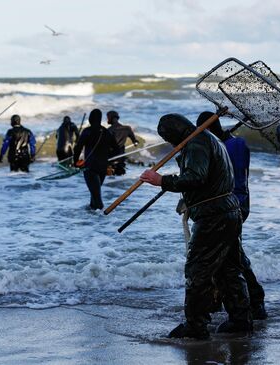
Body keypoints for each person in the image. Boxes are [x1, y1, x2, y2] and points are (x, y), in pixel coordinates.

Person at [140, 113, 252, 339]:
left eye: (168, 138)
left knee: (197, 270)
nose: (170, 143)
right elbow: (207, 180)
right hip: (228, 212)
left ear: (173, 133)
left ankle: (195, 325)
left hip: (214, 217)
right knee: (229, 269)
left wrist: (161, 180)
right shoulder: (208, 139)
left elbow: (196, 177)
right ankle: (241, 319)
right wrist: (187, 199)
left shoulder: (197, 142)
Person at [196, 113, 267, 320]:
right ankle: (237, 301)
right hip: (240, 205)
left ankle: (254, 301)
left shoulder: (221, 149)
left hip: (228, 207)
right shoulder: (238, 144)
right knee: (228, 255)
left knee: (232, 257)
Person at [73, 109, 119, 210]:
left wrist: (75, 162)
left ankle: (101, 218)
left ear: (90, 118)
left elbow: (78, 148)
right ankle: (93, 219)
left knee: (96, 196)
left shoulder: (87, 131)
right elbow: (117, 149)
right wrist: (107, 159)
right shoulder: (106, 132)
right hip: (102, 167)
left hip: (90, 167)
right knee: (94, 193)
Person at [106, 110, 139, 175]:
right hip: (121, 157)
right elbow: (135, 142)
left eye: (107, 118)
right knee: (120, 176)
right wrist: (136, 143)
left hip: (111, 158)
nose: (107, 119)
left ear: (110, 118)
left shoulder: (109, 130)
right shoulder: (127, 128)